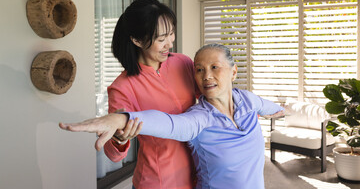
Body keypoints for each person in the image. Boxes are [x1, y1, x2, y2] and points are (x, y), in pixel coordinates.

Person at [60, 44, 285, 189]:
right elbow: (167, 123)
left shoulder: (247, 101)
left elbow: (273, 108)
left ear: (233, 71)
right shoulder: (199, 119)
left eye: (215, 67)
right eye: (199, 69)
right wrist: (121, 119)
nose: (206, 76)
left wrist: (285, 112)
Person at [95, 0, 198, 189]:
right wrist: (119, 139)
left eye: (171, 34)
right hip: (159, 181)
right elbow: (113, 154)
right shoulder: (123, 87)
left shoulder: (183, 63)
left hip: (198, 175)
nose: (169, 43)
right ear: (137, 40)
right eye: (161, 39)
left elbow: (211, 100)